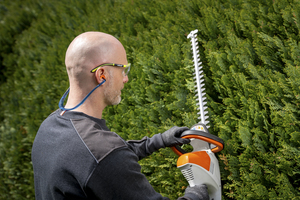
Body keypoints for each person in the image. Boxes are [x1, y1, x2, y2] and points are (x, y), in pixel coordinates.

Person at [31, 31, 209, 200]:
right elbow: (105, 160)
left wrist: (159, 141)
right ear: (101, 75)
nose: (125, 78)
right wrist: (197, 194)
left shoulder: (49, 128)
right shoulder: (101, 153)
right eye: (123, 70)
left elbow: (98, 160)